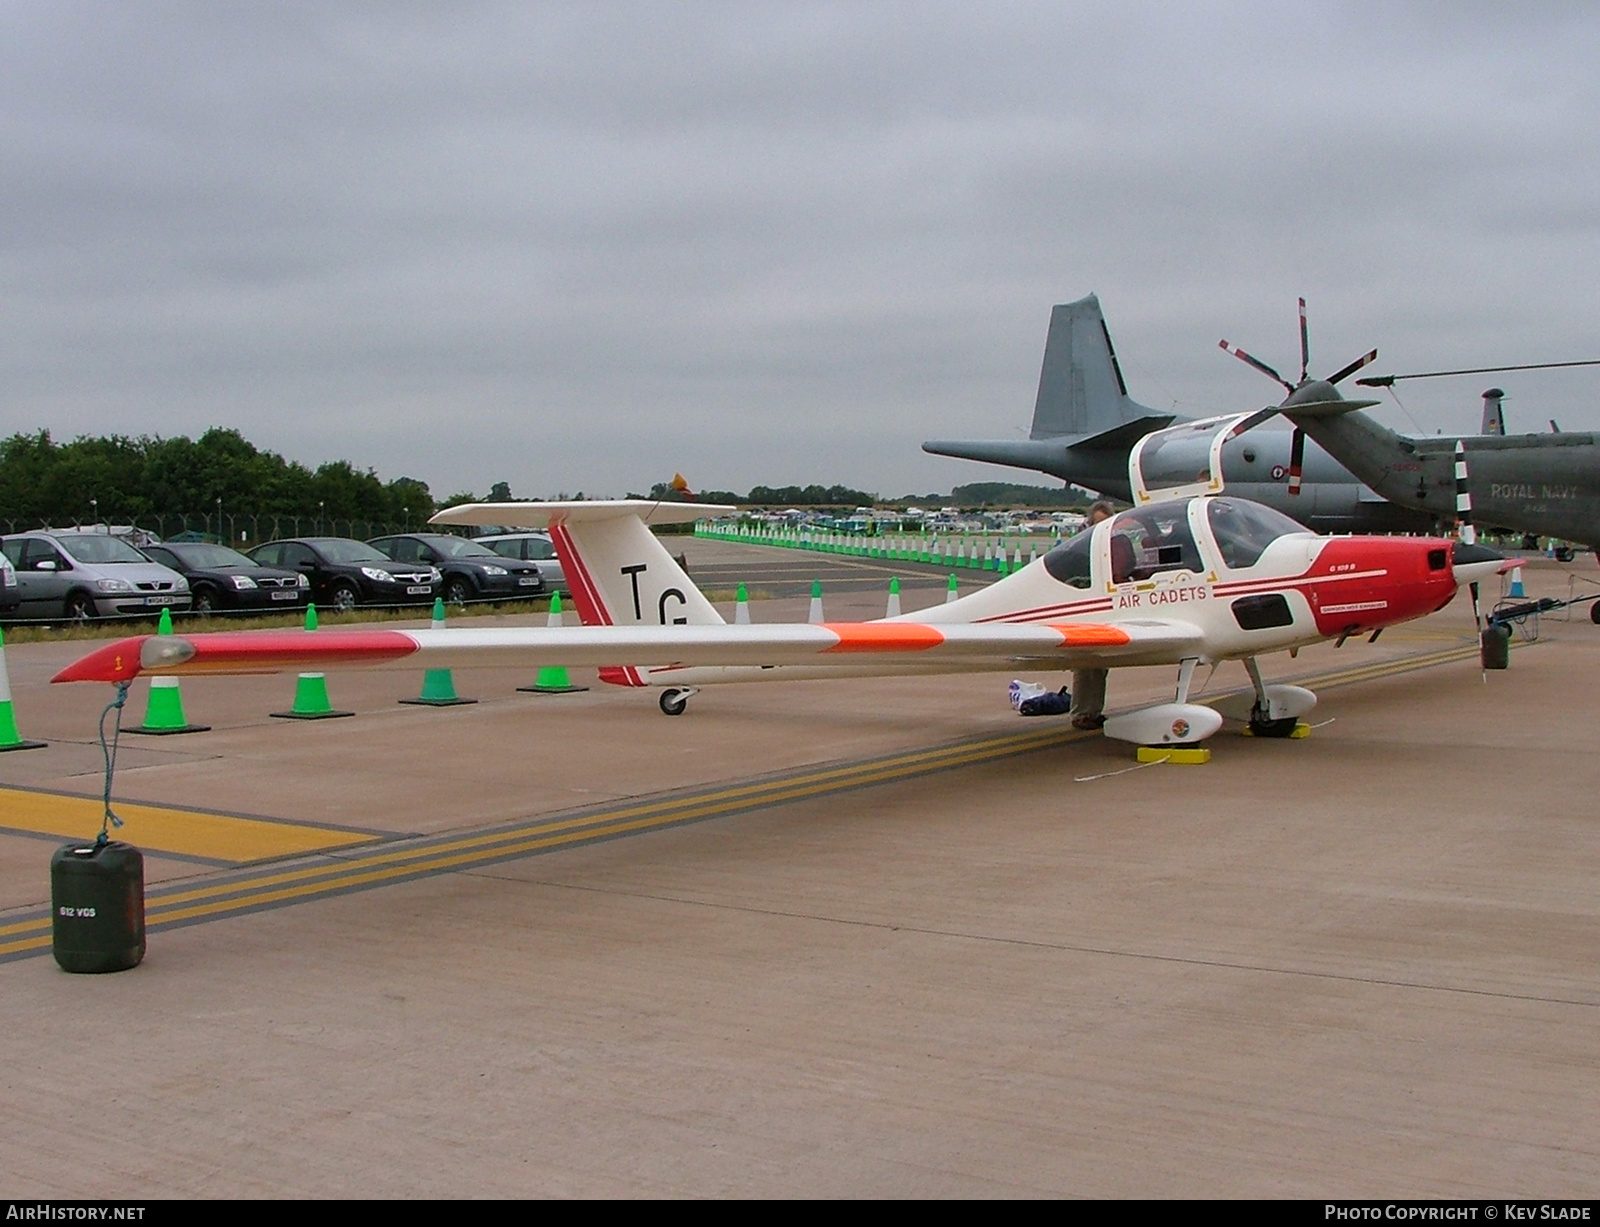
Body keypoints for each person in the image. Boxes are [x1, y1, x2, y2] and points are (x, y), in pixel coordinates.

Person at [1070, 501, 1117, 730]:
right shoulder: (1078, 546)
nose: (1102, 527)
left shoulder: (1114, 542)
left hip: (1104, 606)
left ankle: (1094, 711)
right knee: (1086, 664)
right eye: (1098, 523)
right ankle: (1080, 713)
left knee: (1100, 664)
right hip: (1083, 605)